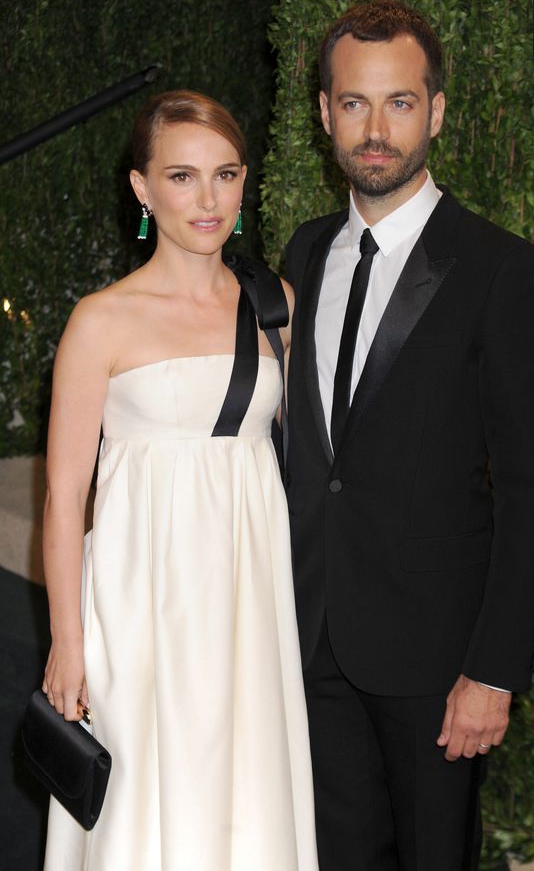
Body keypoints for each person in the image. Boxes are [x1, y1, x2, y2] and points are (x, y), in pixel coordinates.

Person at [284, 0, 534, 871]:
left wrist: (494, 669)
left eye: (399, 102)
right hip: (311, 638)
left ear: (435, 112)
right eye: (355, 103)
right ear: (325, 113)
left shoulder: (499, 269)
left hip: (438, 664)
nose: (376, 129)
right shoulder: (300, 252)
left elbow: (532, 488)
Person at [42, 89, 319, 871]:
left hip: (246, 598)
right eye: (182, 177)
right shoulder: (101, 320)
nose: (208, 200)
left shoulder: (276, 307)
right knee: (140, 805)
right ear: (142, 188)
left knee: (245, 793)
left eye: (226, 175)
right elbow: (65, 496)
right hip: (136, 603)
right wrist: (69, 642)